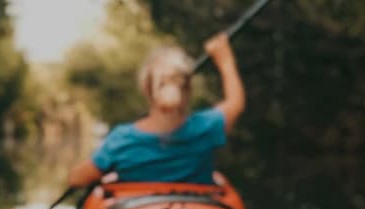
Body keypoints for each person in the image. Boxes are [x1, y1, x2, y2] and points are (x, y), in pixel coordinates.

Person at [67, 32, 245, 187]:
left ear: (145, 88)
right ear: (189, 89)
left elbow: (77, 179)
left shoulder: (122, 140)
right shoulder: (206, 128)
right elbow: (235, 102)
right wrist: (225, 60)